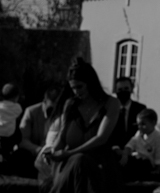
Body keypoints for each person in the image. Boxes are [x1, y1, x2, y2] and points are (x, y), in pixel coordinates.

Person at [47, 57, 123, 193]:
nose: (76, 92)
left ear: (90, 83)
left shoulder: (111, 103)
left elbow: (101, 138)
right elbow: (62, 138)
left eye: (79, 87)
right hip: (71, 165)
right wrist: (53, 153)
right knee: (77, 162)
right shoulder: (70, 105)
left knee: (80, 160)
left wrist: (70, 153)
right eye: (73, 88)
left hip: (99, 165)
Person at [15, 86, 59, 178]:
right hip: (34, 153)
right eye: (51, 109)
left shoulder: (63, 114)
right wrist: (40, 150)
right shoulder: (31, 112)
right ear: (44, 102)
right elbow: (23, 140)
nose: (54, 112)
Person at [120, 108, 160, 181]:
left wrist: (157, 170)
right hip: (137, 160)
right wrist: (125, 155)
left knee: (141, 164)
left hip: (147, 163)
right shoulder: (139, 134)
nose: (140, 127)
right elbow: (130, 144)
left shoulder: (158, 137)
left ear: (153, 123)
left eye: (143, 124)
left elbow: (158, 156)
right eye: (138, 124)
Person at [109, 77, 146, 149]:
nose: (123, 92)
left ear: (131, 89)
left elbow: (143, 132)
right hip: (113, 149)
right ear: (115, 91)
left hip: (134, 149)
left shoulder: (140, 109)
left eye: (126, 89)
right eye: (120, 89)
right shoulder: (110, 109)